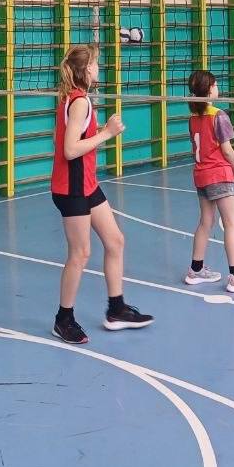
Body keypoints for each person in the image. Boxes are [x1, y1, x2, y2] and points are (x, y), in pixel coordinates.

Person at [50, 45, 152, 345]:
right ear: (85, 69)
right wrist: (107, 133)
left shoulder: (74, 97)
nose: (98, 67)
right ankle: (63, 319)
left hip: (86, 183)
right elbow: (69, 150)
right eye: (95, 63)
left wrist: (97, 134)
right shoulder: (79, 102)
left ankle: (116, 309)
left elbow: (61, 139)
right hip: (72, 188)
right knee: (80, 253)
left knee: (115, 241)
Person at [183, 70, 234, 292]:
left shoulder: (193, 118)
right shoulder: (219, 115)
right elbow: (226, 150)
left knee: (205, 222)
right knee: (230, 224)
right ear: (209, 89)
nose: (218, 88)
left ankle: (195, 270)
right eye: (215, 85)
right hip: (219, 174)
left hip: (201, 175)